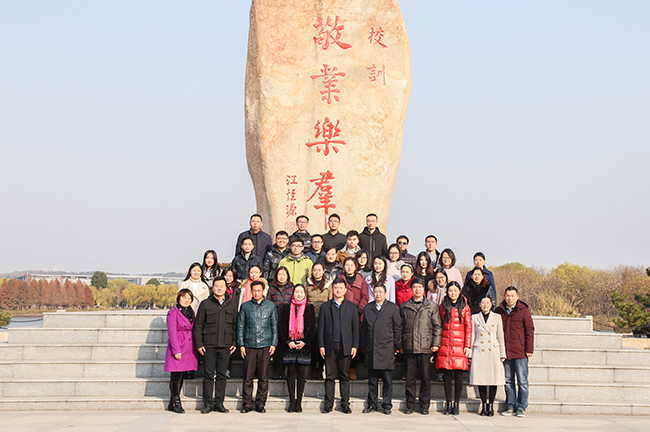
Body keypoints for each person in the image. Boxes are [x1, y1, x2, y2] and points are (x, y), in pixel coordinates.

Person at [193, 277, 237, 414]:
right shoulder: (205, 304)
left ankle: (219, 403)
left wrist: (234, 342)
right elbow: (198, 325)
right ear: (213, 288)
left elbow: (235, 325)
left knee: (222, 375)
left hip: (226, 345)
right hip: (209, 345)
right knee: (208, 374)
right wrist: (199, 343)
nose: (219, 288)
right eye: (216, 286)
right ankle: (207, 403)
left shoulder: (232, 304)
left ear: (226, 288)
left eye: (222, 286)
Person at [400, 278, 442, 415]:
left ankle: (424, 405)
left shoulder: (432, 306)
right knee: (410, 379)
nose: (417, 289)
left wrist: (435, 343)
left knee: (425, 378)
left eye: (420, 287)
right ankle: (410, 405)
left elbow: (437, 326)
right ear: (411, 289)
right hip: (409, 346)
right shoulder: (405, 306)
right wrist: (400, 344)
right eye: (415, 287)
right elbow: (400, 327)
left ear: (424, 289)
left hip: (426, 347)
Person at [318, 278, 360, 414]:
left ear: (345, 290)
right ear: (332, 289)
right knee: (329, 376)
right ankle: (328, 404)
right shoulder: (325, 307)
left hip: (345, 346)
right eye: (336, 288)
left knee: (344, 376)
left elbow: (355, 328)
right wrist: (321, 345)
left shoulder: (351, 307)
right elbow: (321, 328)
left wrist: (354, 345)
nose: (338, 290)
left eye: (341, 288)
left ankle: (345, 404)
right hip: (329, 346)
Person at [237, 280, 278, 413]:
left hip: (265, 345)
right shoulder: (245, 306)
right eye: (254, 290)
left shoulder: (270, 306)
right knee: (248, 377)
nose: (256, 293)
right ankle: (247, 404)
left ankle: (260, 403)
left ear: (263, 291)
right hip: (249, 345)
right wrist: (241, 344)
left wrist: (274, 343)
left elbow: (274, 326)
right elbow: (240, 327)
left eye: (259, 290)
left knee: (263, 377)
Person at [361, 284, 402, 415]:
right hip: (372, 348)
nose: (378, 294)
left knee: (387, 380)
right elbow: (364, 329)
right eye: (376, 292)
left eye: (380, 292)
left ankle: (387, 405)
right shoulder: (368, 308)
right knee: (372, 380)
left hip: (387, 348)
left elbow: (397, 328)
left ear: (385, 293)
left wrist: (397, 345)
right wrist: (364, 346)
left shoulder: (393, 308)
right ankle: (372, 404)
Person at [495, 286, 534, 417]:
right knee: (508, 381)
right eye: (507, 295)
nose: (510, 298)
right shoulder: (499, 310)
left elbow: (530, 330)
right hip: (506, 352)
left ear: (517, 297)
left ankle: (521, 407)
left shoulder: (523, 310)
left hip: (520, 351)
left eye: (512, 295)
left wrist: (529, 349)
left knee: (522, 381)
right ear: (504, 296)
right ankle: (510, 406)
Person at [278, 284, 316, 412]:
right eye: (296, 292)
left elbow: (311, 326)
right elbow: (282, 325)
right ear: (293, 293)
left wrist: (305, 341)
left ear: (305, 294)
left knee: (301, 374)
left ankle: (299, 401)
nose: (299, 294)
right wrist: (288, 341)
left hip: (303, 344)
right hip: (290, 343)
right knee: (290, 373)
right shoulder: (286, 307)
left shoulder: (309, 307)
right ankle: (292, 401)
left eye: (301, 292)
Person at [436, 281, 472, 416]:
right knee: (446, 376)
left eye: (455, 290)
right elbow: (439, 325)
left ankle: (456, 404)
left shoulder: (465, 307)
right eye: (450, 290)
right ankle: (448, 403)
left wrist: (467, 345)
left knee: (458, 376)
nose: (453, 293)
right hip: (445, 344)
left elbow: (469, 328)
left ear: (459, 291)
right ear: (447, 292)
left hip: (459, 345)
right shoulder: (442, 306)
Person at [469, 295, 505, 417]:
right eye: (483, 303)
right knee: (481, 380)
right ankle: (484, 405)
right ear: (479, 304)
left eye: (488, 303)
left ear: (491, 304)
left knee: (493, 380)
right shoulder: (474, 317)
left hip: (493, 350)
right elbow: (473, 335)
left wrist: (503, 353)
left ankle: (491, 405)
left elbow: (500, 336)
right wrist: (470, 353)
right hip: (479, 350)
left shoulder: (497, 317)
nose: (485, 305)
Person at [164, 289, 198, 414]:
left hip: (189, 347)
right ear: (179, 298)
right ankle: (176, 402)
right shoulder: (173, 313)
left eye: (189, 298)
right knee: (176, 376)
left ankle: (172, 402)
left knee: (182, 375)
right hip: (179, 346)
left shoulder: (191, 312)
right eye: (184, 297)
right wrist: (176, 350)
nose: (186, 300)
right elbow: (172, 333)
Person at [266, 266, 294, 379]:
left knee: (286, 346)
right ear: (276, 276)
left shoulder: (292, 288)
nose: (282, 277)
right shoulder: (271, 289)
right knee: (276, 347)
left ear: (287, 276)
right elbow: (268, 305)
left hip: (288, 322)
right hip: (275, 321)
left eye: (284, 274)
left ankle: (284, 370)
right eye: (279, 274)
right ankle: (277, 370)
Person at [306, 262, 333, 379]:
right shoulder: (307, 284)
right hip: (311, 319)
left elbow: (331, 301)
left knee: (322, 345)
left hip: (324, 319)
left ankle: (321, 368)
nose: (317, 272)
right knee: (312, 346)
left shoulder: (328, 284)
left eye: (319, 270)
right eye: (315, 270)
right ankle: (313, 369)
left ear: (323, 271)